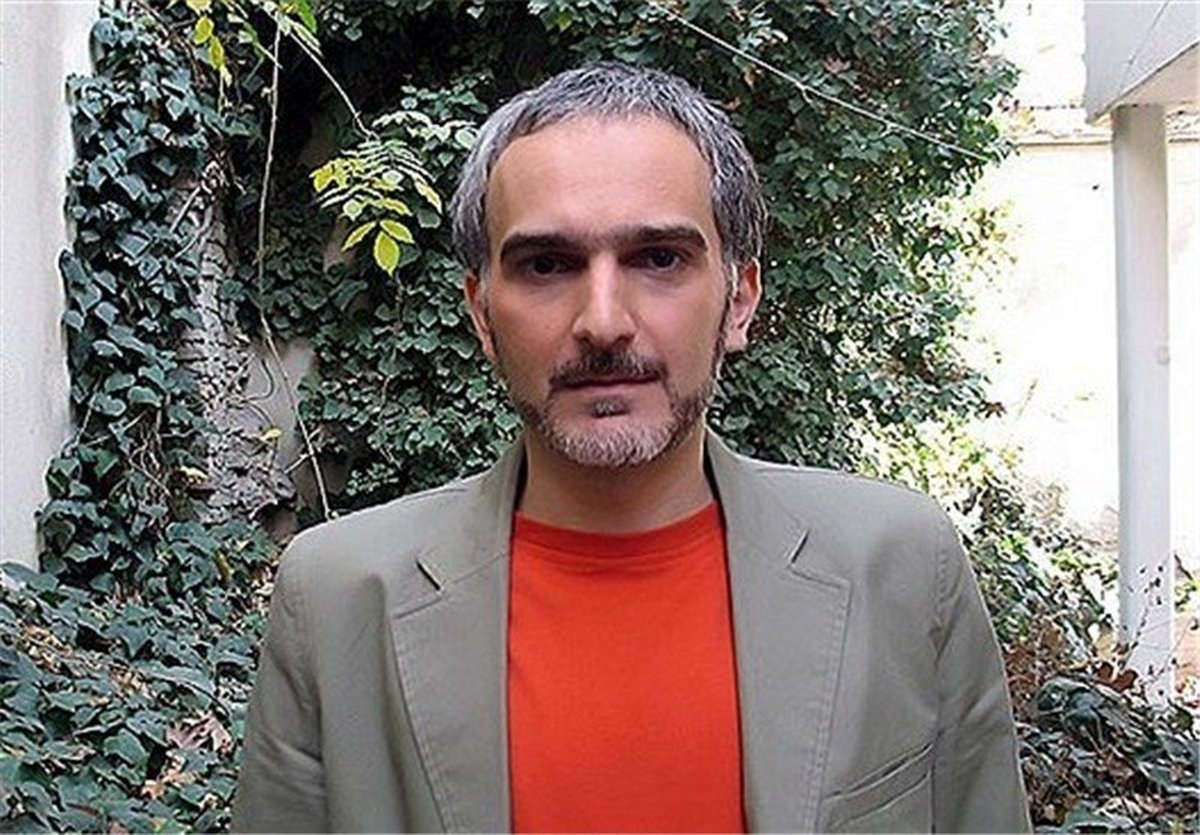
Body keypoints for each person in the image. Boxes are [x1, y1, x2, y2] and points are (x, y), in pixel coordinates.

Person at [232, 62, 1030, 833]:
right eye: (548, 264)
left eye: (659, 259)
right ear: (482, 314)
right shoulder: (339, 597)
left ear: (739, 299)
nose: (603, 321)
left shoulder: (900, 568)